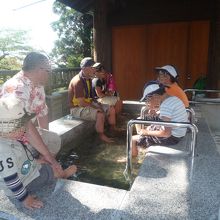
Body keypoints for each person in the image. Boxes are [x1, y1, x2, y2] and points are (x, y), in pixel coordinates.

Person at [0, 52, 76, 209]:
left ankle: (44, 169)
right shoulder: (16, 90)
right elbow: (24, 126)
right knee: (44, 163)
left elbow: (41, 114)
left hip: (20, 138)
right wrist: (25, 199)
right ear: (40, 70)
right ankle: (53, 173)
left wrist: (44, 152)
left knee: (52, 141)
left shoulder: (37, 86)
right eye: (49, 71)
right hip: (13, 139)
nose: (50, 74)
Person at [132, 81, 188, 157]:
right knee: (142, 122)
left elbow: (167, 133)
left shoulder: (166, 105)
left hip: (172, 137)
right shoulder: (173, 98)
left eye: (148, 99)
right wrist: (156, 112)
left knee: (133, 139)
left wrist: (146, 132)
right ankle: (143, 146)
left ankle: (134, 161)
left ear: (155, 95)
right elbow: (169, 117)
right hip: (179, 133)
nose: (148, 102)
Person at [68, 57, 116, 143]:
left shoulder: (88, 79)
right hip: (76, 108)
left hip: (86, 104)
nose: (94, 69)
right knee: (99, 114)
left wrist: (98, 104)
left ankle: (112, 129)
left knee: (111, 108)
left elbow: (90, 98)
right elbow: (82, 103)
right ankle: (101, 135)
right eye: (92, 67)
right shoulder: (78, 81)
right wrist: (96, 107)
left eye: (94, 67)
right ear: (84, 68)